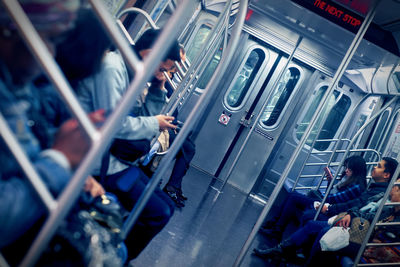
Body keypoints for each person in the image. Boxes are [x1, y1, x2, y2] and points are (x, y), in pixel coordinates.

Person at [0, 0, 116, 265]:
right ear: (10, 31)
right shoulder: (30, 91)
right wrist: (60, 160)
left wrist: (59, 140)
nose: (51, 54)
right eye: (49, 39)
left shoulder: (17, 90)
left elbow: (24, 146)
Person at [57, 20, 180, 261]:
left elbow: (142, 124)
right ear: (150, 54)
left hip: (113, 156)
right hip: (95, 157)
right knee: (159, 212)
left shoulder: (133, 73)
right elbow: (114, 125)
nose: (163, 74)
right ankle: (115, 257)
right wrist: (155, 123)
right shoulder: (113, 68)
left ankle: (115, 253)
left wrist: (157, 89)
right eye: (163, 69)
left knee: (168, 207)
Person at [253, 157, 398, 263]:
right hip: (347, 218)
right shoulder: (373, 189)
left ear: (386, 175)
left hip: (355, 229)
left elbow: (355, 207)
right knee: (309, 215)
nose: (374, 168)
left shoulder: (376, 194)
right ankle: (284, 247)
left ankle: (284, 248)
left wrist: (333, 209)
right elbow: (353, 204)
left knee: (313, 222)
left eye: (378, 166)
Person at [260, 155, 367, 242]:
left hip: (331, 208)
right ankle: (275, 225)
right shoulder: (350, 180)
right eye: (346, 167)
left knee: (294, 197)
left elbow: (331, 199)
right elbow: (333, 196)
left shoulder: (356, 186)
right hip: (328, 204)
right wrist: (331, 183)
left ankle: (276, 229)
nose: (346, 170)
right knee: (294, 195)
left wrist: (332, 186)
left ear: (356, 170)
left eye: (349, 169)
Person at [307, 177, 400, 267]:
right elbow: (371, 216)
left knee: (328, 242)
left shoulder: (395, 218)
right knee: (327, 241)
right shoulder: (390, 211)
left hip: (370, 247)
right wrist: (351, 215)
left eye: (394, 187)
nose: (390, 190)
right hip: (367, 243)